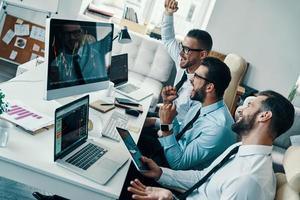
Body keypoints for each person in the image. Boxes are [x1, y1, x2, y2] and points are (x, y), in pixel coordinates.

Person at [128, 90, 295, 200]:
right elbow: (203, 179)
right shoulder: (238, 149)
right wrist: (160, 173)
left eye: (250, 105)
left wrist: (171, 198)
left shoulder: (248, 180)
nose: (241, 109)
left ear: (264, 116)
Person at [139, 57, 236, 170]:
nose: (191, 80)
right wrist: (168, 103)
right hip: (171, 150)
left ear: (209, 87)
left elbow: (177, 163)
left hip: (172, 171)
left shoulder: (217, 128)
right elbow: (178, 133)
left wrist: (165, 124)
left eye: (196, 76)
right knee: (134, 134)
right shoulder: (200, 104)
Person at [147, 0, 213, 123]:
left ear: (203, 54)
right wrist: (168, 13)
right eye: (182, 47)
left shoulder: (201, 88)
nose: (181, 53)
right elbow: (168, 39)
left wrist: (153, 122)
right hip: (164, 115)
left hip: (170, 130)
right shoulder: (185, 61)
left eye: (187, 50)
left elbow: (182, 125)